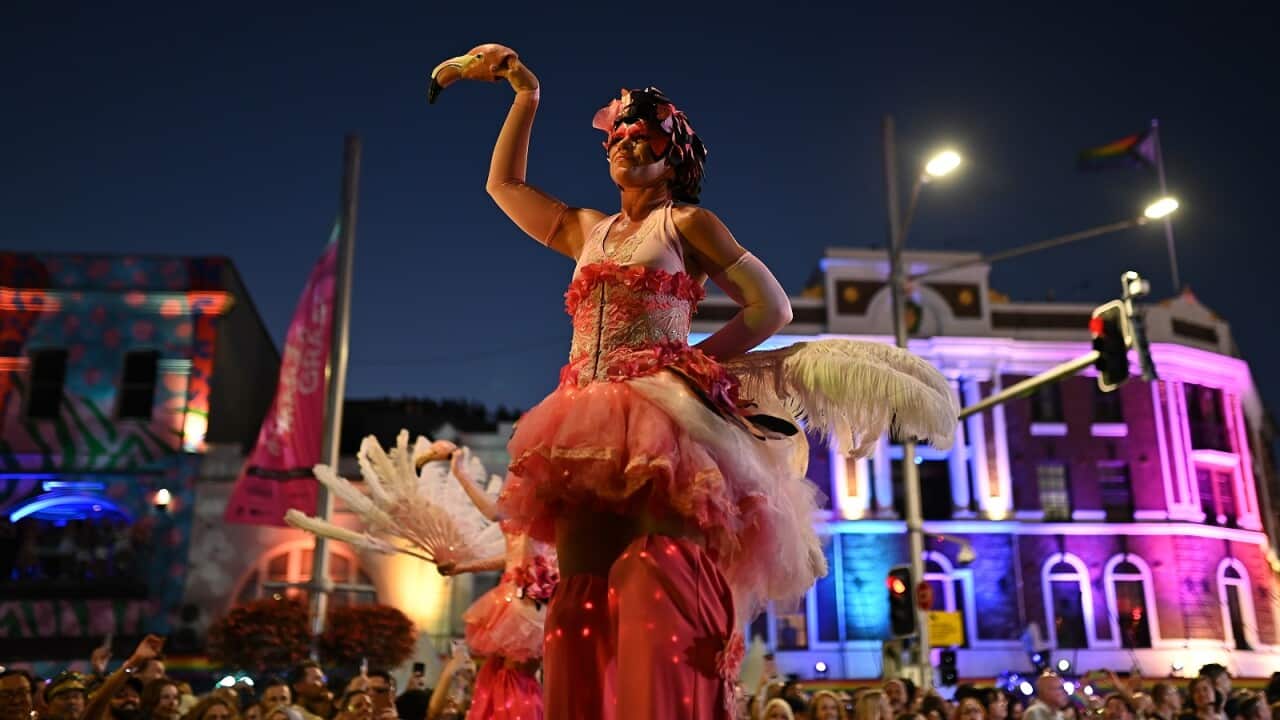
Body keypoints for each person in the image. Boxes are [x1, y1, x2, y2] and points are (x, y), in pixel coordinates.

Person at [428, 42, 956, 720]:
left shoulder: (688, 222)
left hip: (661, 417)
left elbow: (771, 307)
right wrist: (525, 97)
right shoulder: (586, 227)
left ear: (672, 152)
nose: (622, 145)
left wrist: (696, 359)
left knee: (659, 586)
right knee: (576, 603)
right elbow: (504, 187)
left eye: (640, 135)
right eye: (616, 136)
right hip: (580, 419)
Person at [434, 446, 555, 720]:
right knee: (499, 674)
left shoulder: (547, 503)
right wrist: (463, 568)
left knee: (518, 675)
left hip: (533, 601)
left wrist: (460, 473)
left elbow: (492, 513)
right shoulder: (521, 499)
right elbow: (512, 555)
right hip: (514, 595)